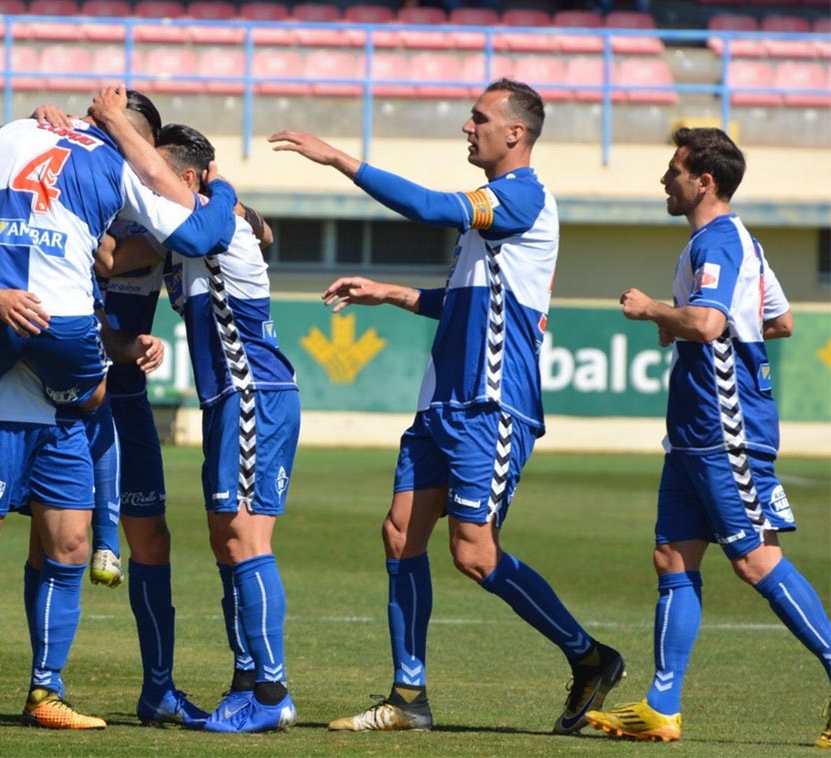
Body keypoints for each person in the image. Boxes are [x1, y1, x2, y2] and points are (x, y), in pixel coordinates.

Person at [268, 79, 625, 734]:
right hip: (443, 403)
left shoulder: (522, 197)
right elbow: (461, 299)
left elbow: (432, 207)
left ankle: (590, 657)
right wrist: (391, 293)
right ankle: (409, 697)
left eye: (480, 117)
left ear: (514, 133)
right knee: (401, 533)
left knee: (475, 554)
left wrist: (340, 160)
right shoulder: (490, 217)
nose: (468, 126)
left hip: (491, 405)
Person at [0, 90, 239, 588]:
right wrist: (225, 196)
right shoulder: (126, 166)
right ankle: (106, 546)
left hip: (17, 325)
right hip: (71, 338)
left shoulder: (9, 135)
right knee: (87, 433)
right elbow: (193, 237)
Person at [585, 127, 831, 747]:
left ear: (705, 181)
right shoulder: (731, 242)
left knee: (754, 560)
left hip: (727, 431)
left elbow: (709, 320)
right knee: (673, 558)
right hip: (694, 436)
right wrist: (691, 326)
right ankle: (661, 706)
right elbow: (778, 319)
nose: (665, 180)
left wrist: (656, 313)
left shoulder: (717, 241)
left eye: (674, 170)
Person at [92, 89, 300, 734]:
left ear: (184, 179)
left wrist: (222, 189)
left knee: (244, 540)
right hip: (233, 400)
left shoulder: (208, 215)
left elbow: (232, 225)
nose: (145, 182)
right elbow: (260, 231)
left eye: (157, 173)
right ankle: (248, 681)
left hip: (250, 393)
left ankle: (269, 694)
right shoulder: (191, 225)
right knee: (227, 538)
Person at [0, 231, 164, 731]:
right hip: (1, 410)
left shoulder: (78, 236)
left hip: (66, 421)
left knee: (69, 547)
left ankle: (46, 692)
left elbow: (95, 331)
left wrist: (127, 345)